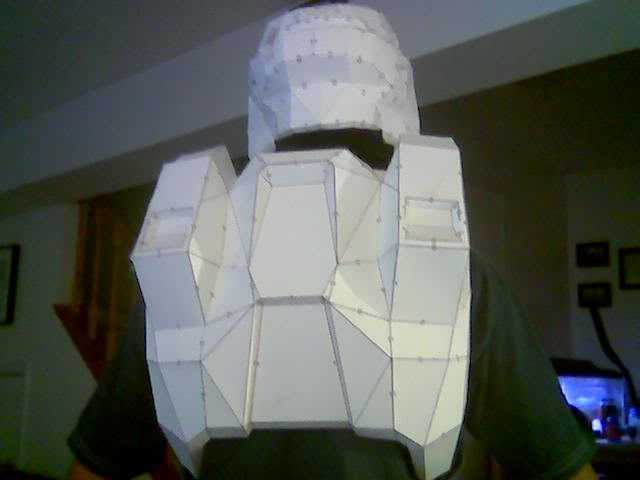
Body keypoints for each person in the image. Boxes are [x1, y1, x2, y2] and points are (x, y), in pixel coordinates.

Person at [69, 3, 598, 480]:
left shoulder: (188, 258)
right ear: (393, 87)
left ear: (267, 93)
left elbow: (97, 464)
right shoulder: (455, 268)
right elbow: (556, 462)